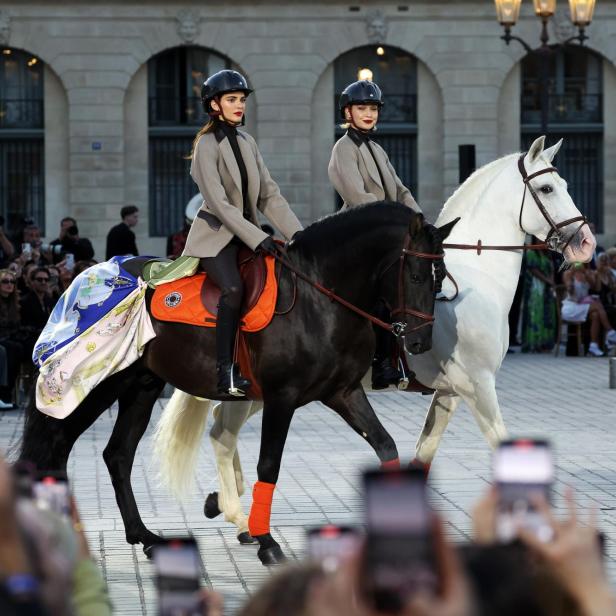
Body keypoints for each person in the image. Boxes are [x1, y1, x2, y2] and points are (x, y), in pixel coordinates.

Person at [181, 69, 303, 396]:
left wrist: (299, 236)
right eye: (232, 99)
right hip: (215, 238)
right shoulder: (206, 144)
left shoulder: (248, 142)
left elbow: (269, 195)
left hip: (248, 234)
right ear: (214, 105)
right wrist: (256, 236)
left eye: (242, 100)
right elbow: (219, 204)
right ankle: (225, 372)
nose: (239, 105)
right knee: (233, 289)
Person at [328, 79, 422, 389]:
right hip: (359, 235)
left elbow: (400, 189)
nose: (369, 113)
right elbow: (357, 196)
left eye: (373, 108)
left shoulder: (377, 149)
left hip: (386, 234)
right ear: (348, 112)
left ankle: (404, 358)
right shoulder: (343, 148)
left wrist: (420, 222)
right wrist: (395, 221)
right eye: (361, 108)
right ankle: (381, 363)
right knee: (383, 292)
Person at [561, 263, 616, 357]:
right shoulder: (568, 274)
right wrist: (571, 280)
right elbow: (570, 289)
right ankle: (611, 332)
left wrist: (586, 275)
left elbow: (596, 288)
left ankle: (593, 346)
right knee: (597, 305)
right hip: (571, 307)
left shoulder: (589, 274)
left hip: (582, 306)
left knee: (595, 315)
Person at [520, 244, 556, 353]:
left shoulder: (548, 253)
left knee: (548, 315)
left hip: (547, 289)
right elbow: (533, 269)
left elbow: (551, 269)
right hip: (535, 290)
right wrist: (547, 280)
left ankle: (544, 343)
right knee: (535, 314)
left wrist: (551, 280)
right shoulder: (531, 252)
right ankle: (533, 343)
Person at [0, 269, 24, 407]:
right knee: (9, 349)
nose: (9, 284)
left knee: (18, 348)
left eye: (12, 281)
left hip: (8, 338)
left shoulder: (13, 303)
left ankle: (7, 393)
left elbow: (15, 326)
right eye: (5, 281)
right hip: (2, 339)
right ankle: (4, 394)